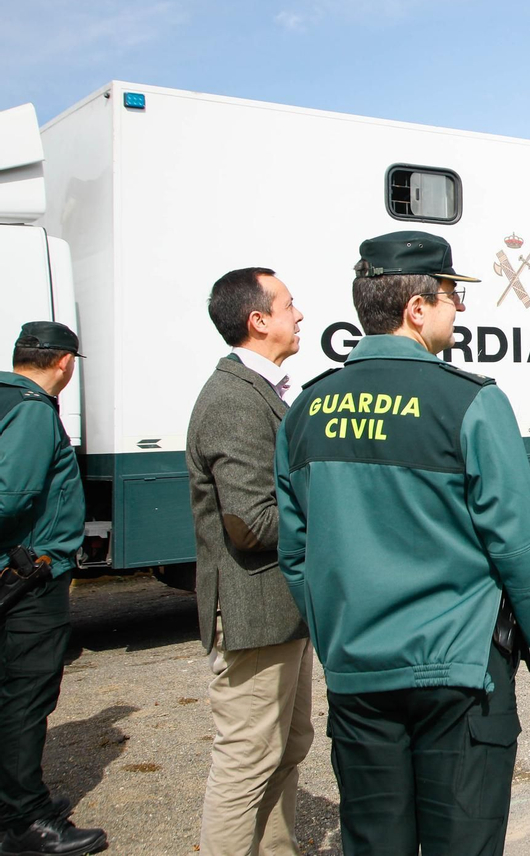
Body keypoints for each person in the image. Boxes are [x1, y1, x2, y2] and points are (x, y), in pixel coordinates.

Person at [275, 232, 530, 856]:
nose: (458, 309)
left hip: (358, 671)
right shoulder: (471, 402)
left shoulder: (305, 410)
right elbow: (522, 551)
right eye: (449, 297)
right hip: (460, 674)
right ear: (416, 309)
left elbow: (297, 553)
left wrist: (341, 639)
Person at [185, 268, 312, 856]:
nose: (300, 315)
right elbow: (252, 523)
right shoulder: (235, 400)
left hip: (279, 611)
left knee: (288, 746)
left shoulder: (263, 389)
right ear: (258, 321)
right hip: (253, 610)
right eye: (288, 306)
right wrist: (332, 510)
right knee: (246, 763)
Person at [0, 323, 107, 856]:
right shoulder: (34, 411)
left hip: (12, 578)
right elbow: (11, 497)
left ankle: (15, 801)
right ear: (65, 363)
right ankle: (24, 823)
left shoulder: (3, 399)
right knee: (25, 697)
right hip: (28, 582)